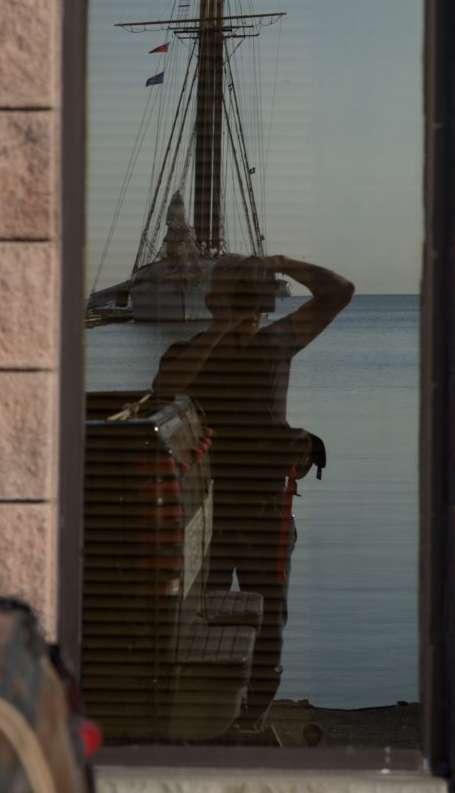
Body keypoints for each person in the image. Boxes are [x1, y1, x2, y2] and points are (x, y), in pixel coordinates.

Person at [152, 254, 354, 729]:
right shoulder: (185, 350)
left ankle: (253, 716)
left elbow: (339, 291)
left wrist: (281, 262)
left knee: (269, 617)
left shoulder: (277, 344)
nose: (243, 300)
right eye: (230, 289)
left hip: (266, 510)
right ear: (209, 300)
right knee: (200, 616)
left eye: (248, 291)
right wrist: (223, 328)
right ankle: (207, 712)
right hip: (205, 513)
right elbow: (165, 390)